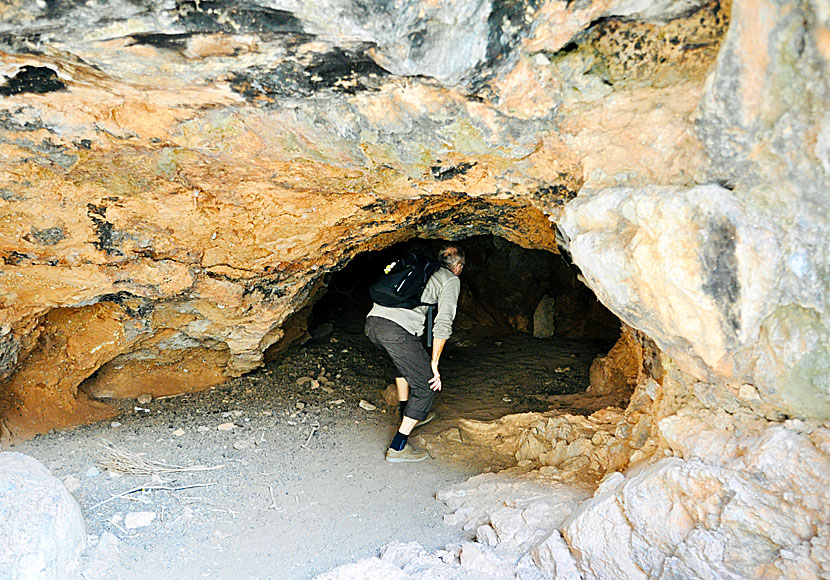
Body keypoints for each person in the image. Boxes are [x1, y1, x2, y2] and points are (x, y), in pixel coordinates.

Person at [364, 245, 465, 462]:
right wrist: (434, 364)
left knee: (404, 364)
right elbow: (443, 322)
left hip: (373, 323)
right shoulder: (450, 279)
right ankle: (398, 447)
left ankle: (406, 412)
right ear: (458, 266)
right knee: (426, 385)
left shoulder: (420, 268)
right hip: (395, 330)